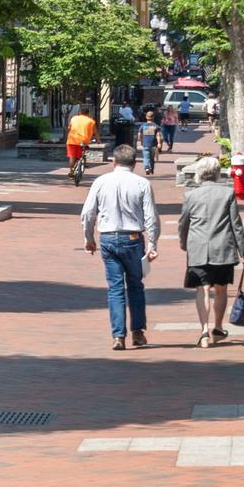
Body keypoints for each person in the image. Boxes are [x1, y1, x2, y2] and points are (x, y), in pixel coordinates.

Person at [81, 143, 161, 351]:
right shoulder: (142, 183)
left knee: (115, 288)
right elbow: (151, 216)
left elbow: (88, 213)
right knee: (135, 286)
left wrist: (89, 237)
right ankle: (138, 332)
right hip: (133, 238)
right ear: (134, 164)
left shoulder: (101, 181)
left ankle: (118, 336)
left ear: (113, 162)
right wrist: (152, 242)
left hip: (108, 238)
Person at [178, 155, 244, 348]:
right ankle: (217, 327)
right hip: (222, 248)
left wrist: (183, 243)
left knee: (202, 288)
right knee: (221, 288)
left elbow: (184, 222)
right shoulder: (227, 193)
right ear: (217, 173)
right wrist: (243, 249)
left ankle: (204, 330)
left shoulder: (191, 195)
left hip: (198, 247)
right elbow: (236, 224)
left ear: (199, 174)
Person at [65, 103, 99, 186]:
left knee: (72, 157)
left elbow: (69, 128)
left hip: (72, 140)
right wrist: (98, 140)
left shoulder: (74, 118)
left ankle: (71, 171)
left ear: (80, 112)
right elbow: (96, 132)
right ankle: (81, 162)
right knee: (81, 154)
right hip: (83, 141)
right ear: (88, 114)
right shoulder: (91, 121)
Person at [139, 107, 162, 175]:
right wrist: (159, 143)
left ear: (146, 117)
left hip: (145, 144)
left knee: (146, 157)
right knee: (152, 158)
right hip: (153, 145)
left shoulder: (143, 126)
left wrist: (141, 141)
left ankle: (147, 168)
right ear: (153, 117)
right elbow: (158, 135)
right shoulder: (156, 126)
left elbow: (139, 134)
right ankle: (151, 169)